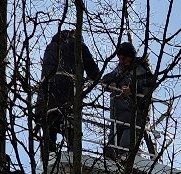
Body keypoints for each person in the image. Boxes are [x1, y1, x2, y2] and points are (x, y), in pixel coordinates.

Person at [38, 27, 100, 156]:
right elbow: (93, 71)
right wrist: (93, 78)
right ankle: (73, 154)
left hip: (48, 94)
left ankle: (48, 158)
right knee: (71, 128)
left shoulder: (50, 47)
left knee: (50, 128)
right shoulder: (78, 45)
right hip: (68, 90)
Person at [100, 40, 157, 162]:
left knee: (126, 149)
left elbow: (149, 87)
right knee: (110, 152)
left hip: (135, 118)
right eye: (119, 58)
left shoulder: (141, 69)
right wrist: (111, 83)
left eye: (124, 58)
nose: (121, 61)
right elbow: (105, 79)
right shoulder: (120, 70)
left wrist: (132, 90)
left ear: (131, 57)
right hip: (117, 118)